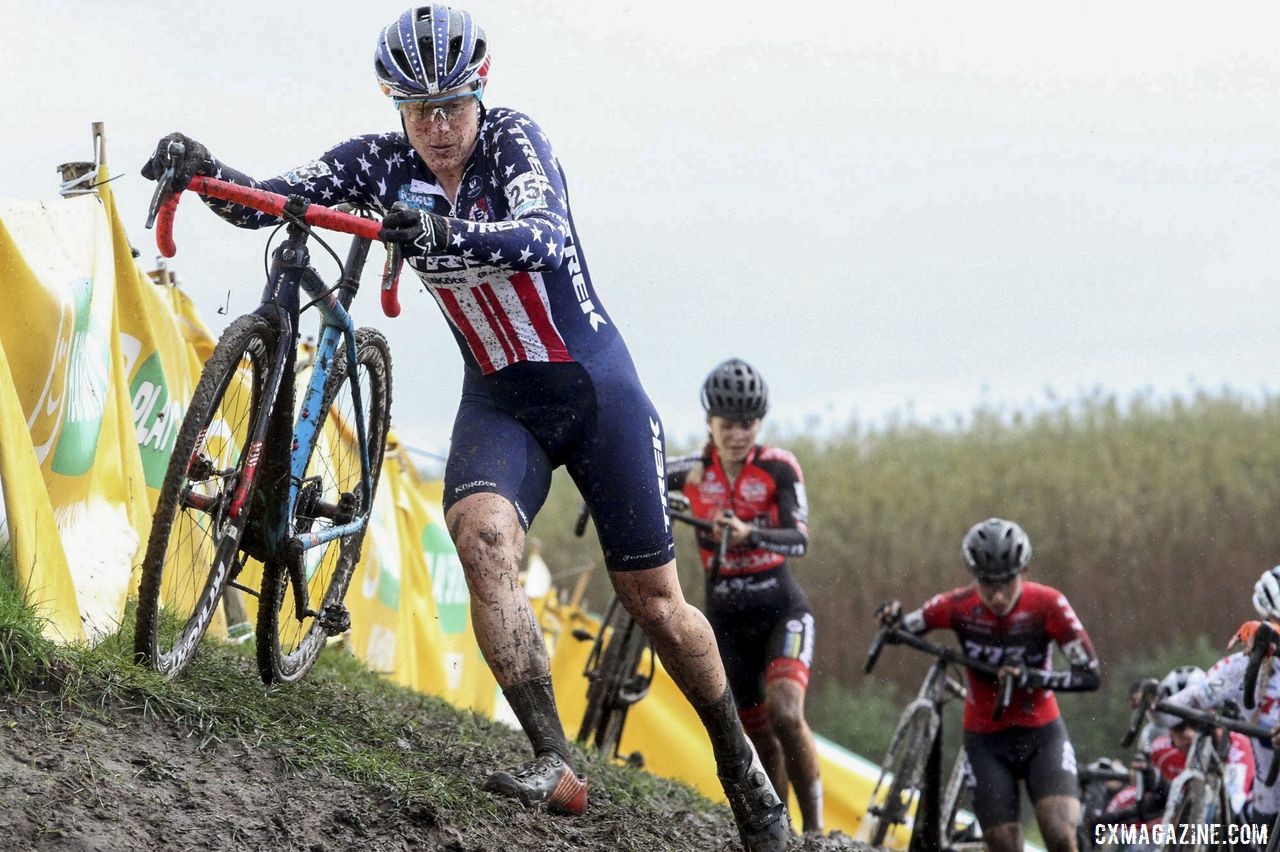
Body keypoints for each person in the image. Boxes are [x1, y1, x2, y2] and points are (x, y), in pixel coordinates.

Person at [140, 7, 789, 849]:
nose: (439, 128)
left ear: (480, 94)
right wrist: (204, 170)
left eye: (452, 107)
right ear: (396, 106)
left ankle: (742, 770)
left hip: (595, 391)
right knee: (481, 539)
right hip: (500, 399)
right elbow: (275, 202)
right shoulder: (380, 162)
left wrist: (450, 232)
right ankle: (554, 759)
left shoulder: (516, 141)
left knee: (655, 604)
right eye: (420, 111)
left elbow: (544, 236)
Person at [666, 358, 824, 834]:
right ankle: (781, 831)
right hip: (726, 623)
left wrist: (751, 532)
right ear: (710, 423)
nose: (738, 435)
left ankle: (815, 830)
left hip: (780, 609)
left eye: (747, 424)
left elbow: (799, 538)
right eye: (727, 425)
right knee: (757, 735)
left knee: (786, 712)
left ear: (760, 422)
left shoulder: (778, 467)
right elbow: (634, 476)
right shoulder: (692, 471)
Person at [879, 517, 1101, 852]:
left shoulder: (1049, 604)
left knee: (1058, 832)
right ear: (973, 576)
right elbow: (904, 630)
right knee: (1003, 845)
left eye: (1006, 582)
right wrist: (892, 617)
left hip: (1042, 733)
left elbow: (1090, 675)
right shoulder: (957, 605)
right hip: (986, 740)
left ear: (1024, 571)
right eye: (987, 583)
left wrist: (1033, 678)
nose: (997, 595)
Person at [1159, 564, 1280, 838]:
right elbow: (1178, 706)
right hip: (1267, 806)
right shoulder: (1241, 667)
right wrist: (1154, 703)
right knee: (1234, 835)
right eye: (1273, 623)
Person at [1103, 666, 1254, 830]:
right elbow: (1140, 801)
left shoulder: (1238, 747)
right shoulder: (1160, 750)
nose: (1189, 733)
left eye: (1198, 723)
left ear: (1215, 713)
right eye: (1179, 726)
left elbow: (1231, 807)